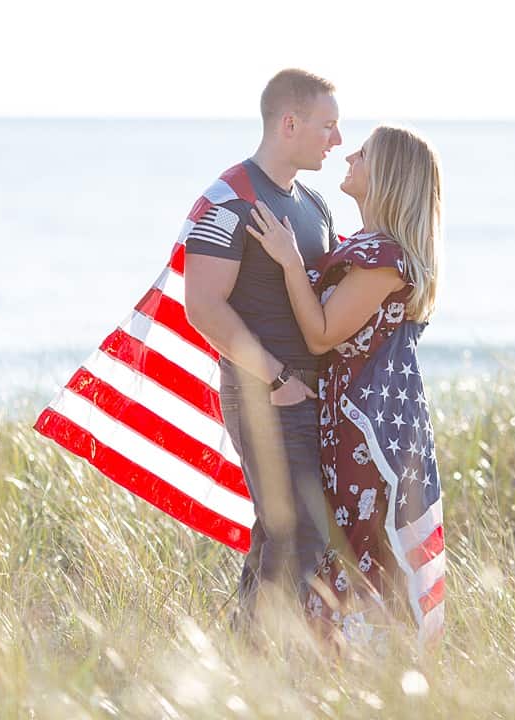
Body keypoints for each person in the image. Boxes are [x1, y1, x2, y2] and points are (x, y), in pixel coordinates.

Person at [246, 125, 446, 654]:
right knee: (342, 541)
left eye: (364, 153)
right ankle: (347, 663)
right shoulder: (365, 246)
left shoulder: (384, 259)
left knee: (355, 546)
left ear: (387, 175)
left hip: (363, 434)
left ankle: (358, 664)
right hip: (344, 423)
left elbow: (320, 335)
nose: (349, 155)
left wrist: (290, 260)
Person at [182, 69, 342, 636]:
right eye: (328, 126)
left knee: (285, 532)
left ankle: (244, 667)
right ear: (289, 123)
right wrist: (276, 378)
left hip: (309, 395)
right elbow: (201, 305)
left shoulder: (314, 205)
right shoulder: (233, 197)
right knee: (297, 531)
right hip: (264, 391)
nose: (337, 140)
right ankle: (257, 661)